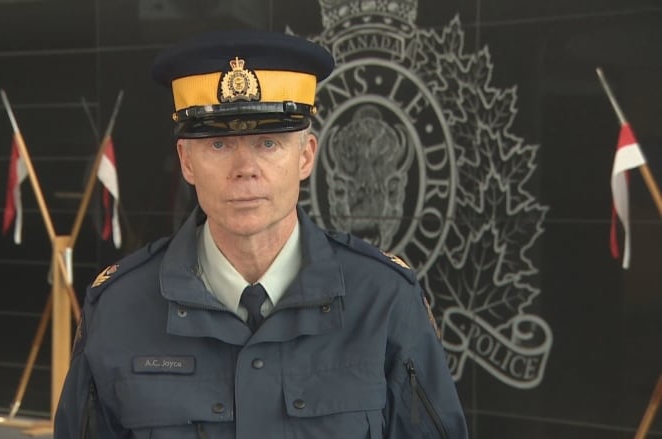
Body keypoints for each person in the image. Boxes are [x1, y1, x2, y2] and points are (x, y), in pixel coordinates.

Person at [54, 29, 468, 438]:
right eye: (218, 145)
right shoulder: (119, 309)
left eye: (268, 143)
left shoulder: (383, 300)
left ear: (305, 156)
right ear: (186, 161)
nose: (245, 168)